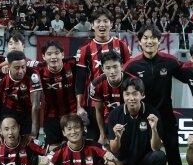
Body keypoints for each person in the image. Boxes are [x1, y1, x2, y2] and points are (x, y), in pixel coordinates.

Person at [124, 25, 185, 165]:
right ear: (140, 41)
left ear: (159, 41)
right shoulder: (132, 65)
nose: (149, 41)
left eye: (153, 38)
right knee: (144, 155)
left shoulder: (170, 61)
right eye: (145, 38)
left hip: (166, 118)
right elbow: (124, 90)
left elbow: (189, 75)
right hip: (143, 120)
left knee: (173, 155)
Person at [106, 77, 167, 165]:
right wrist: (117, 137)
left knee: (160, 156)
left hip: (144, 161)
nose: (131, 98)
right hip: (125, 164)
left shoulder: (152, 113)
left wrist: (154, 129)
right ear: (123, 95)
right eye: (127, 94)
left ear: (142, 95)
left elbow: (156, 148)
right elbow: (114, 149)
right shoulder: (115, 114)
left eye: (135, 94)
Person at [75, 10, 131, 141]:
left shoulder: (122, 45)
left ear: (111, 25)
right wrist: (79, 106)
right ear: (92, 25)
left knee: (121, 141)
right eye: (98, 21)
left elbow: (129, 73)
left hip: (120, 102)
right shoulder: (84, 49)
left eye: (106, 21)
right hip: (94, 104)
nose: (102, 25)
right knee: (96, 142)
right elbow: (80, 80)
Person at [0, 50, 42, 143]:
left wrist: (33, 133)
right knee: (7, 142)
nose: (21, 71)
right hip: (8, 109)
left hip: (27, 111)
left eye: (23, 67)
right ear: (8, 66)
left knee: (28, 143)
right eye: (17, 68)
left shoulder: (33, 75)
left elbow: (35, 105)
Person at [36, 40, 78, 149]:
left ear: (62, 54)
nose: (53, 57)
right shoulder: (39, 69)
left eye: (56, 53)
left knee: (74, 146)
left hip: (72, 113)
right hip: (51, 116)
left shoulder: (72, 63)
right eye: (49, 54)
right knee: (53, 149)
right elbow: (18, 61)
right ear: (43, 56)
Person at [89, 51, 125, 147]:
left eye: (115, 67)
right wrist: (102, 134)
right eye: (108, 68)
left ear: (122, 66)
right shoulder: (96, 84)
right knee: (111, 151)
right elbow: (99, 110)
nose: (112, 71)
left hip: (130, 120)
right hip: (109, 122)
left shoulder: (131, 81)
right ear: (103, 69)